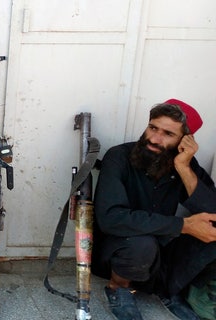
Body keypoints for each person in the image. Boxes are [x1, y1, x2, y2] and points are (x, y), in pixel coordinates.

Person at [91, 98, 216, 320]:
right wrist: (183, 226)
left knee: (210, 231)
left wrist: (183, 167)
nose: (154, 138)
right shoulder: (118, 156)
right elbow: (111, 218)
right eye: (153, 128)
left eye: (168, 134)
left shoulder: (182, 163)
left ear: (184, 142)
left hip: (160, 251)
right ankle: (118, 289)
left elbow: (212, 212)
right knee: (142, 242)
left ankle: (169, 290)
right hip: (120, 248)